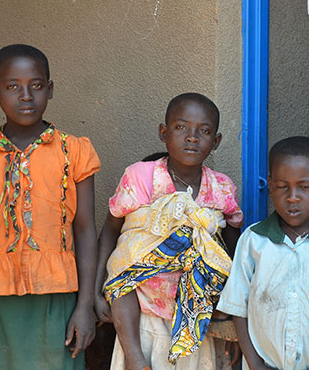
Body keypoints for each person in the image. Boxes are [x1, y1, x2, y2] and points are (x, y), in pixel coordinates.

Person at [0, 44, 101, 369]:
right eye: (12, 87)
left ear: (50, 89)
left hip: (56, 297)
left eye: (36, 85)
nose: (26, 96)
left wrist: (85, 305)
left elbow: (86, 231)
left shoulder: (74, 152)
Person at [93, 93, 243, 370]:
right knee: (128, 253)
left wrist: (235, 315)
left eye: (204, 131)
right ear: (164, 132)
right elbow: (111, 232)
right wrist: (96, 290)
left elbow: (233, 252)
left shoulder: (221, 187)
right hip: (141, 312)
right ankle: (135, 359)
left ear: (216, 141)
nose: (192, 137)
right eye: (181, 127)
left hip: (196, 314)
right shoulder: (141, 176)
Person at [218, 136, 309, 369]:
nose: (292, 197)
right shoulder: (254, 241)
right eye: (282, 186)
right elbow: (238, 306)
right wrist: (255, 364)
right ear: (270, 185)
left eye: (305, 187)